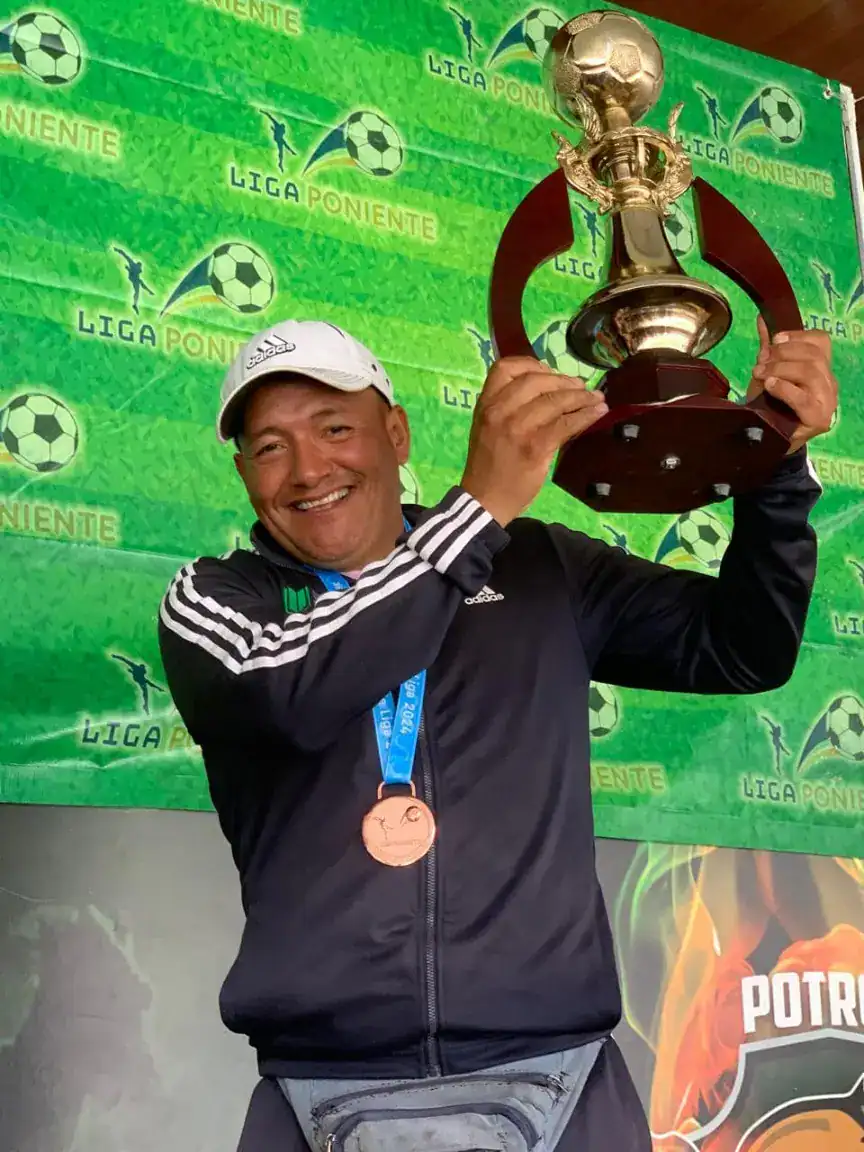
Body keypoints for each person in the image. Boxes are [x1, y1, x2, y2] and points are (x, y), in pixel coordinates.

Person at [158, 318, 836, 1151]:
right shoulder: (217, 600)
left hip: (566, 1085)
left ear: (396, 434)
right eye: (270, 447)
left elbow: (743, 647)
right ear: (243, 473)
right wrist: (476, 513)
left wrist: (774, 469)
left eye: (335, 428)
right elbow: (293, 690)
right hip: (321, 1092)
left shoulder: (538, 567)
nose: (308, 469)